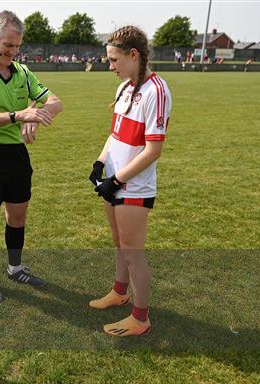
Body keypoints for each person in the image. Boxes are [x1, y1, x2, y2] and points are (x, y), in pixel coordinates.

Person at [0, 10, 63, 302]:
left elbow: (56, 102)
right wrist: (19, 114)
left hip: (16, 156)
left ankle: (16, 268)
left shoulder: (22, 72)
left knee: (17, 218)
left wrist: (35, 117)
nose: (13, 52)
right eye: (8, 46)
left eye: (18, 46)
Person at [88, 26, 172, 337]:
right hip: (114, 181)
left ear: (133, 55)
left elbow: (154, 150)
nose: (110, 66)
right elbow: (116, 134)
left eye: (114, 59)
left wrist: (117, 179)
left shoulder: (156, 91)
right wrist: (100, 162)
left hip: (133, 186)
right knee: (119, 242)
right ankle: (120, 292)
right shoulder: (124, 87)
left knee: (133, 251)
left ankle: (140, 318)